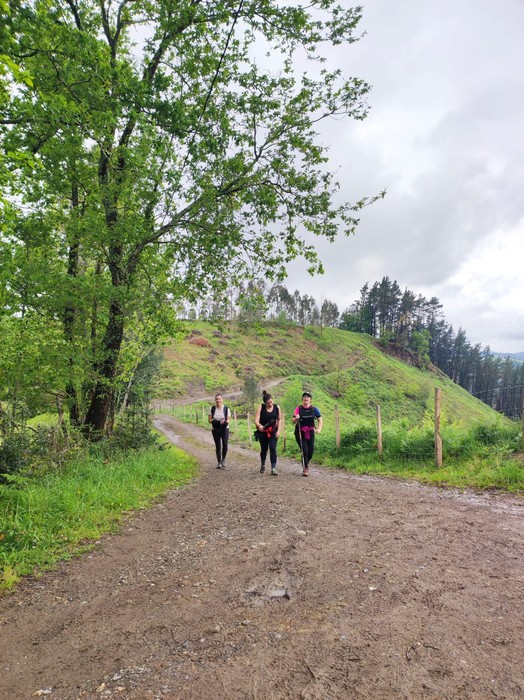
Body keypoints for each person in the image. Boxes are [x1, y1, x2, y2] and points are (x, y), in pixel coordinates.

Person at [292, 392, 322, 476]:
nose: (306, 398)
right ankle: (306, 468)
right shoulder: (298, 409)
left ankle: (305, 462)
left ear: (310, 399)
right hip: (300, 431)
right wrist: (296, 418)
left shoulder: (314, 409)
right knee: (305, 450)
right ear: (302, 399)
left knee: (310, 452)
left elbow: (320, 419)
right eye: (304, 397)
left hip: (310, 431)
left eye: (308, 397)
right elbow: (293, 421)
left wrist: (319, 429)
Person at [254, 390, 282, 476]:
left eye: (271, 402)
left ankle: (273, 468)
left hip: (273, 431)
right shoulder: (261, 407)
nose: (270, 404)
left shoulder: (277, 407)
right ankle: (263, 464)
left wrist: (279, 431)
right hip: (263, 431)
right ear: (265, 403)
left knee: (273, 448)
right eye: (268, 403)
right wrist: (259, 426)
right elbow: (256, 420)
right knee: (264, 449)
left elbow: (279, 419)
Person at [208, 393, 230, 469]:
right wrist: (217, 422)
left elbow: (228, 420)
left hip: (224, 429)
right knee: (218, 445)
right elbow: (209, 420)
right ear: (215, 400)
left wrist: (225, 423)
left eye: (219, 399)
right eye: (217, 399)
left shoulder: (226, 409)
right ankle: (219, 462)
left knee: (225, 444)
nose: (218, 400)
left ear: (222, 399)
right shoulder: (212, 409)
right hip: (215, 429)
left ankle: (223, 459)